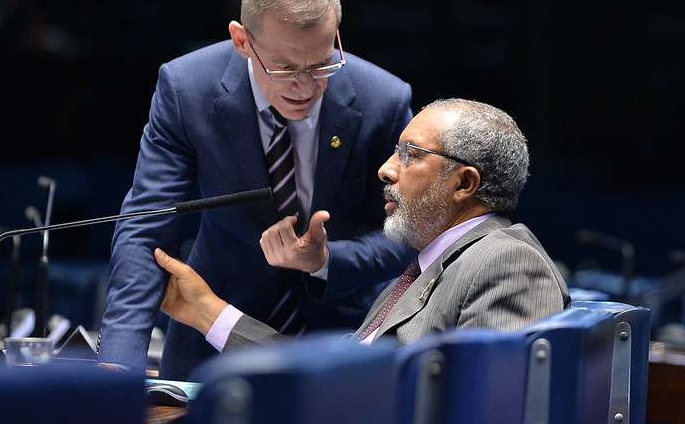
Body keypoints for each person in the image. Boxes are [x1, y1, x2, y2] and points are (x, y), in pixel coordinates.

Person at [96, 0, 415, 378]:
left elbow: (408, 238)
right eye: (284, 68)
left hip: (339, 341)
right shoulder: (186, 89)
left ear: (336, 35)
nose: (304, 87)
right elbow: (144, 227)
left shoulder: (383, 100)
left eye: (321, 64)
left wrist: (324, 260)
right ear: (242, 40)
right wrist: (118, 365)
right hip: (210, 338)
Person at [155, 98, 571, 349]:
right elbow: (341, 372)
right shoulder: (421, 272)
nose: (387, 170)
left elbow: (489, 420)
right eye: (395, 151)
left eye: (411, 153)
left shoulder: (509, 261)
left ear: (464, 183)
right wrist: (205, 311)